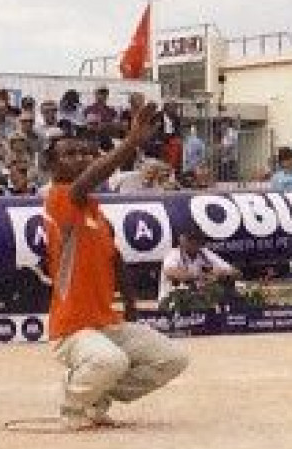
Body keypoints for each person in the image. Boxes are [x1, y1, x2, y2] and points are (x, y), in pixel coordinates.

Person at [42, 106, 189, 430]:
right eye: (70, 154)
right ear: (52, 166)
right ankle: (73, 404)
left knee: (173, 358)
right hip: (72, 327)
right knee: (111, 361)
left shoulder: (95, 210)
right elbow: (84, 183)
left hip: (107, 321)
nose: (80, 158)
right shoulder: (59, 198)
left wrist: (132, 302)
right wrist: (131, 142)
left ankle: (96, 399)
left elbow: (116, 256)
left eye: (86, 152)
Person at [158, 226, 241, 304]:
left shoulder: (205, 253)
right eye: (190, 239)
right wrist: (203, 276)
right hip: (171, 302)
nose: (194, 242)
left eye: (197, 239)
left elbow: (236, 273)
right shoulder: (173, 254)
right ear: (181, 239)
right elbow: (172, 272)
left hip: (198, 302)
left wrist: (221, 274)